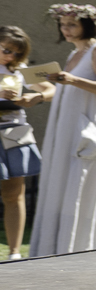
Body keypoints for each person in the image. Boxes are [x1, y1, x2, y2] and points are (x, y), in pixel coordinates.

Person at [25, 7, 96, 258]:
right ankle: (58, 246)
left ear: (87, 26)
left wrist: (72, 80)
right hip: (68, 127)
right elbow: (68, 89)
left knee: (83, 183)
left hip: (89, 128)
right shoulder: (74, 53)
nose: (66, 30)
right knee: (63, 181)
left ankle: (86, 246)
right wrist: (39, 95)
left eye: (72, 25)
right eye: (63, 24)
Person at [1, 25, 54, 261]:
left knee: (14, 194)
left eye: (16, 53)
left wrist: (37, 96)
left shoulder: (21, 69)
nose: (10, 56)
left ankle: (14, 253)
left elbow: (51, 87)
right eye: (6, 50)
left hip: (13, 132)